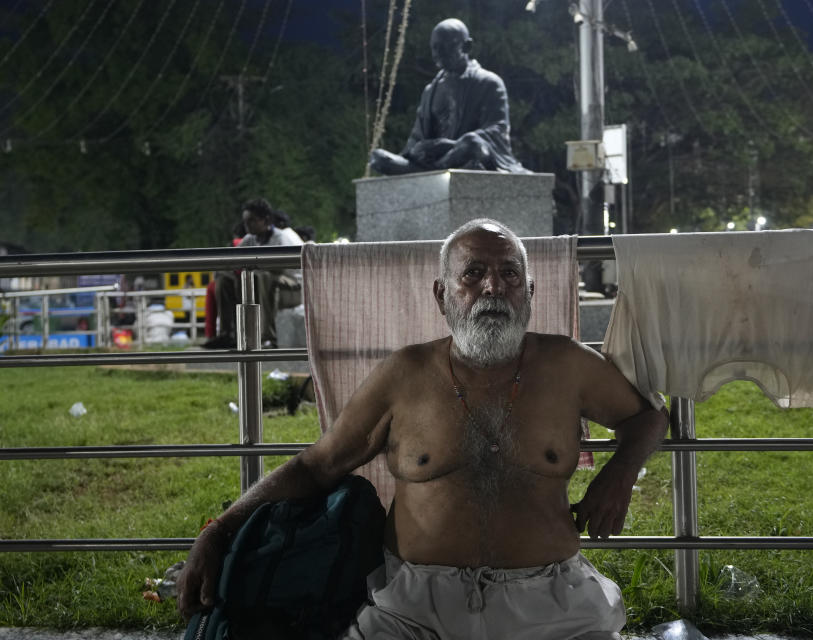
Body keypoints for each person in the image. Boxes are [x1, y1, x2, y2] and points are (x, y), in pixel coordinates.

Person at [179, 219, 667, 638]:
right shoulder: (404, 375)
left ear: (531, 292)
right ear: (442, 294)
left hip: (553, 606)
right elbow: (318, 465)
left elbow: (647, 416)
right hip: (416, 611)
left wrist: (619, 473)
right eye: (473, 274)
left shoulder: (568, 364)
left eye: (509, 274)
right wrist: (219, 530)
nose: (493, 288)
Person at [369, 19, 529, 175]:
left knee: (472, 143)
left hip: (465, 153)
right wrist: (415, 150)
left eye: (447, 47)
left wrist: (447, 145)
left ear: (467, 46)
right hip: (434, 157)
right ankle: (432, 171)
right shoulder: (431, 90)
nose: (439, 54)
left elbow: (497, 131)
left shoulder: (488, 82)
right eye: (435, 48)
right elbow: (417, 137)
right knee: (378, 158)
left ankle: (431, 172)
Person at [206, 198, 303, 349]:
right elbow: (233, 261)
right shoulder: (250, 239)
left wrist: (250, 269)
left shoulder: (280, 238)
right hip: (260, 282)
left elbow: (280, 268)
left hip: (291, 288)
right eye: (245, 221)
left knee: (261, 276)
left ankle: (268, 337)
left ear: (265, 220)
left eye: (252, 221)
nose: (247, 225)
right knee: (225, 280)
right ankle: (228, 333)